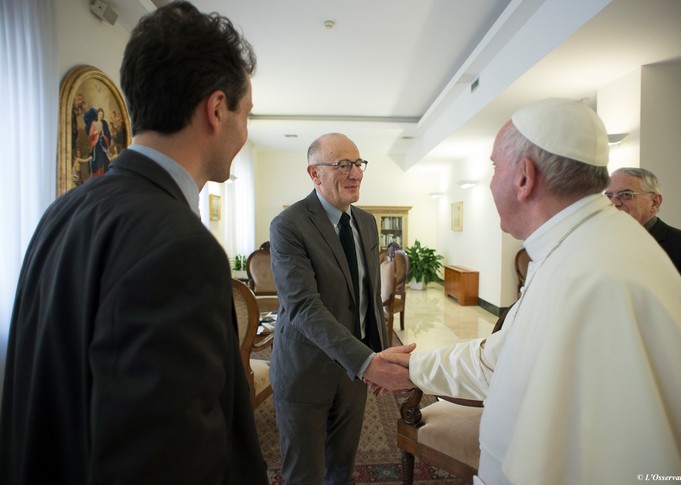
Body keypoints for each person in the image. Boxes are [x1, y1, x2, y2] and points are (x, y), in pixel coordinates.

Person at [382, 98, 681, 485]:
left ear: (524, 177)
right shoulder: (577, 245)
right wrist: (412, 367)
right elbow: (506, 359)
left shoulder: (594, 269)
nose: (491, 181)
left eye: (494, 167)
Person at [0, 2, 268, 484]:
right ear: (215, 109)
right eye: (245, 113)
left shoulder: (60, 213)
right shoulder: (180, 247)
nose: (244, 132)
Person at [269, 132, 414, 484]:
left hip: (353, 374)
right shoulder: (288, 226)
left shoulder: (366, 222)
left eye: (358, 164)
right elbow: (304, 307)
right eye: (342, 165)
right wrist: (368, 363)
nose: (356, 173)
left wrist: (380, 356)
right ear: (314, 174)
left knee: (342, 470)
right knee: (303, 474)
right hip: (306, 372)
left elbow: (368, 296)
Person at [606, 167, 681, 362]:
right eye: (609, 195)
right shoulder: (603, 248)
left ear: (655, 202)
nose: (614, 202)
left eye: (626, 195)